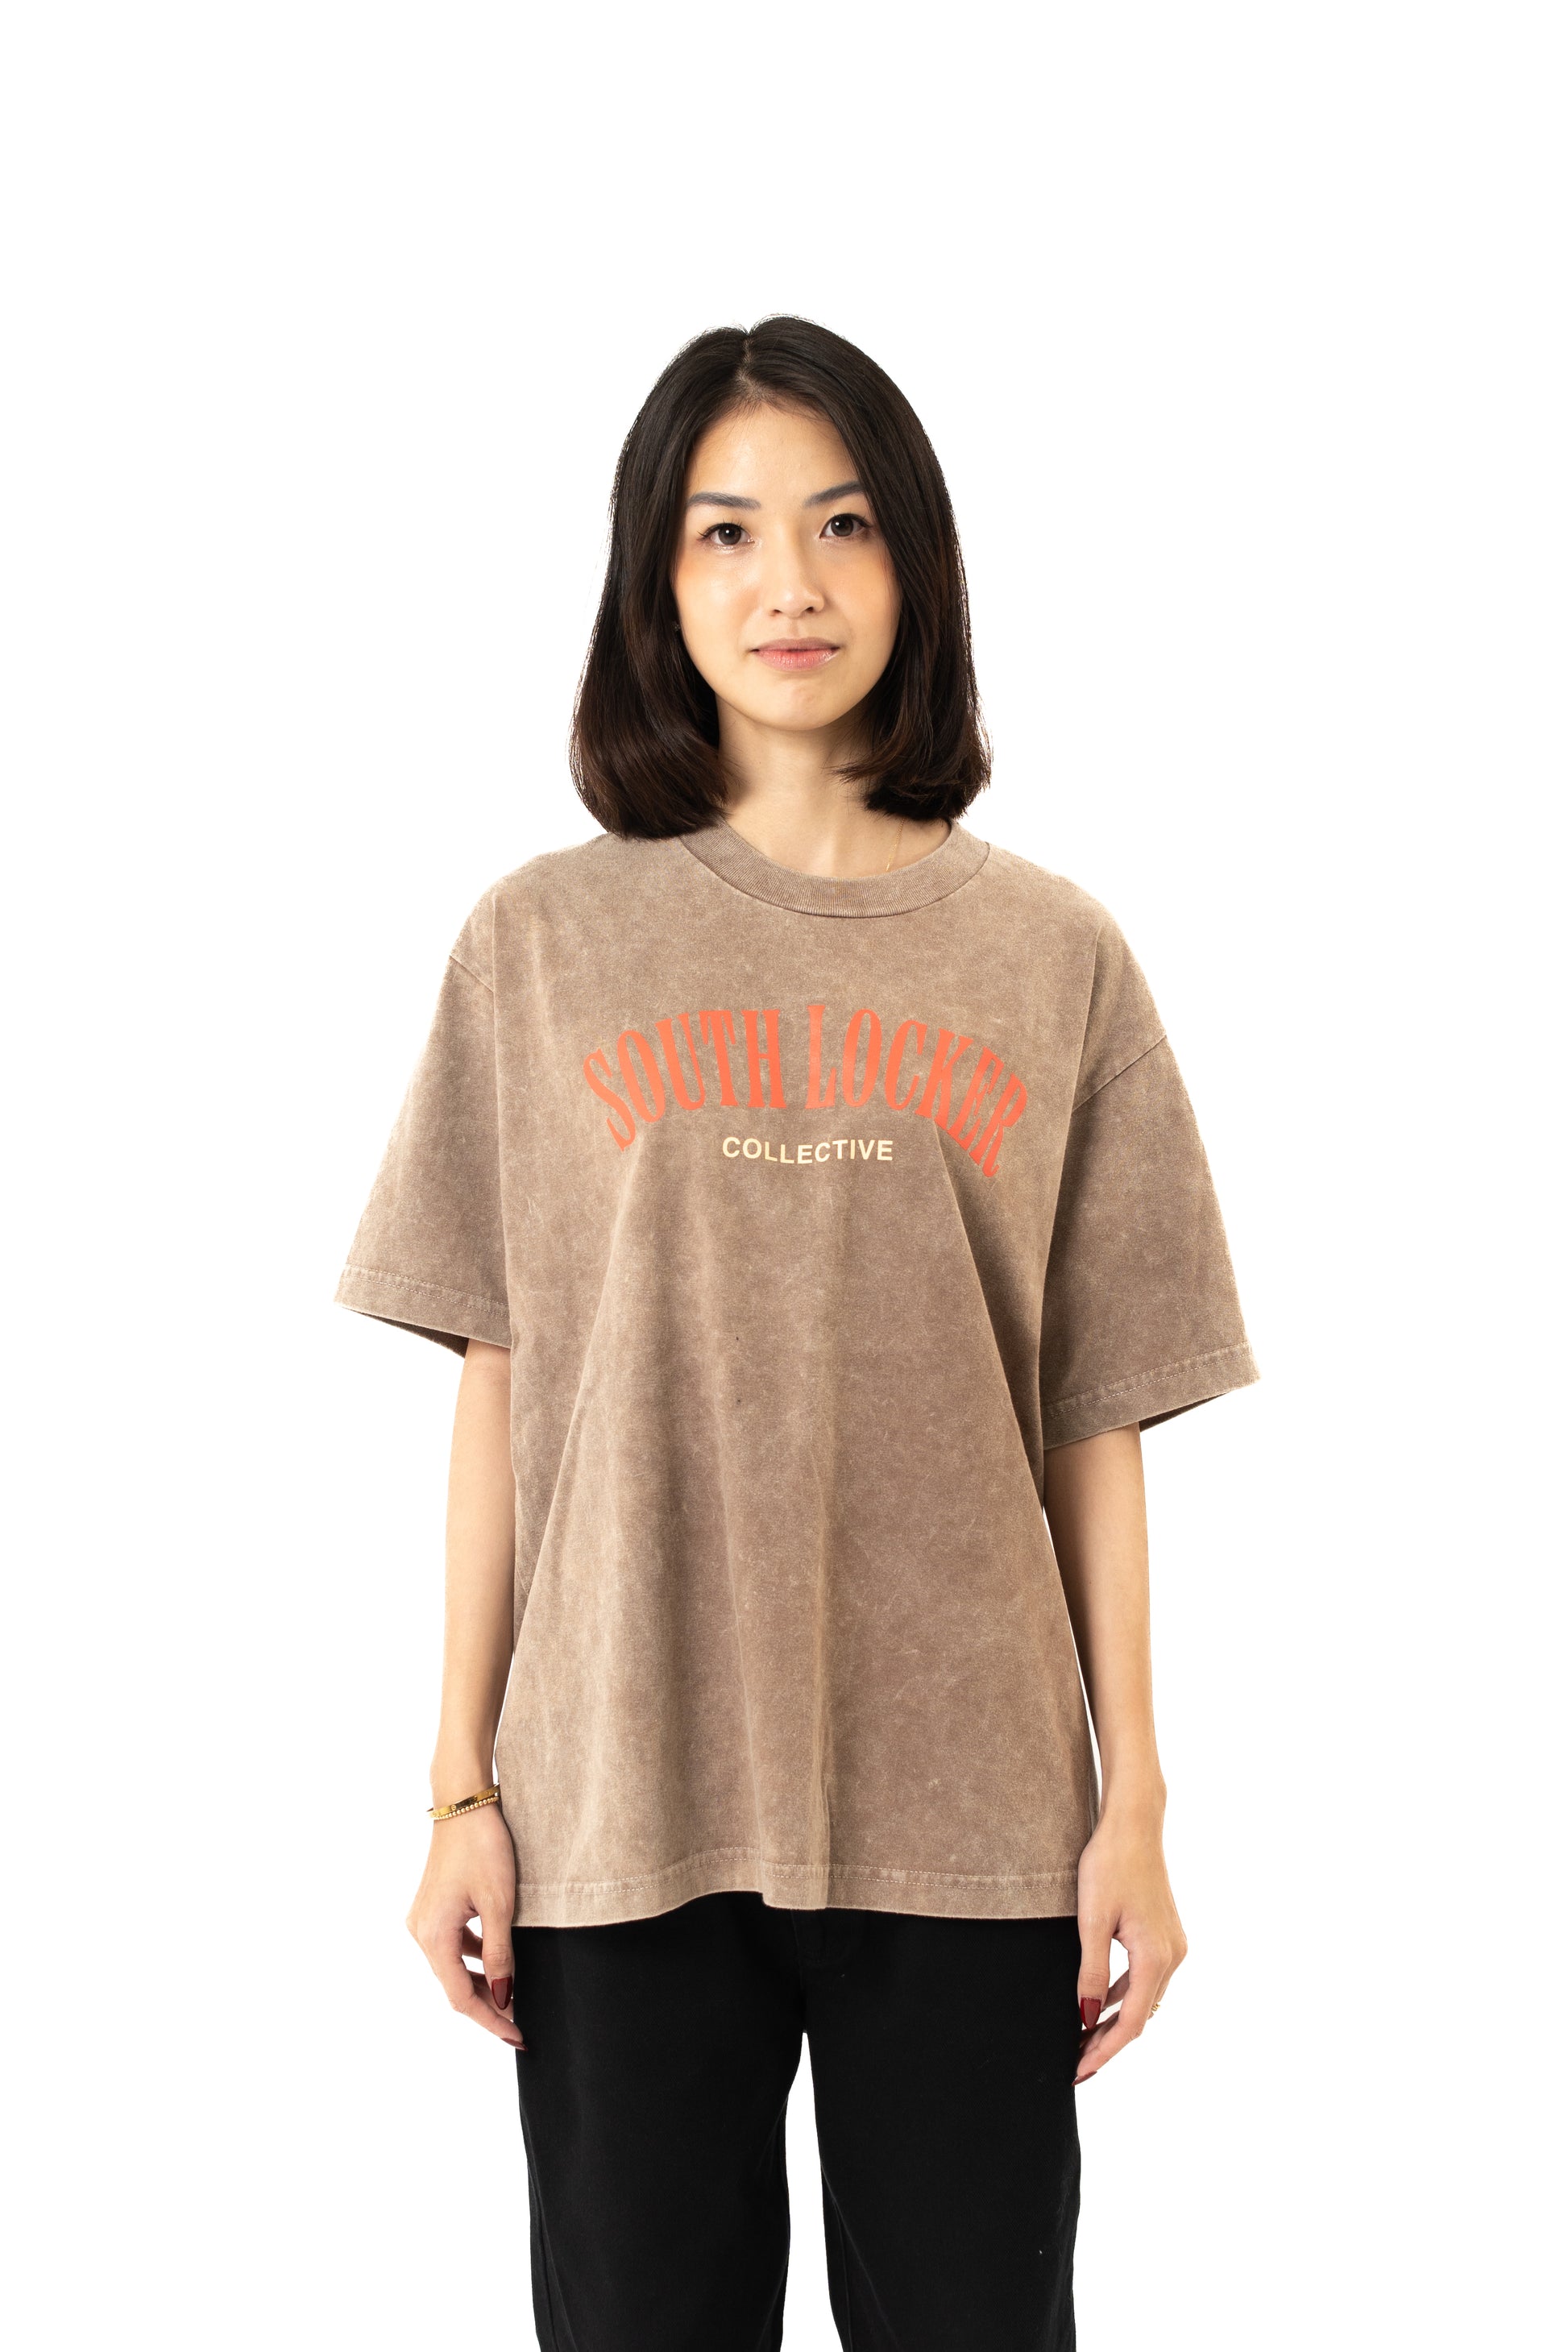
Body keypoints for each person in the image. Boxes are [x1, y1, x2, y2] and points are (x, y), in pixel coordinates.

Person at [333, 315, 1258, 2352]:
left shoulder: (1052, 953)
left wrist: (1134, 1802)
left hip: (975, 1813)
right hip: (617, 1793)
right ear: (655, 585)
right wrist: (457, 1784)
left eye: (843, 525)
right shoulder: (541, 942)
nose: (790, 583)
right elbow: (503, 1375)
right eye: (725, 531)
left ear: (914, 562)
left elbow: (1094, 1409)